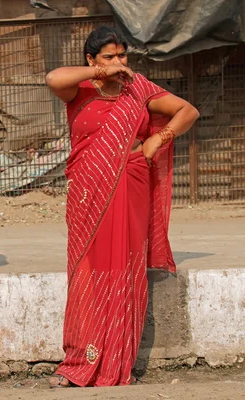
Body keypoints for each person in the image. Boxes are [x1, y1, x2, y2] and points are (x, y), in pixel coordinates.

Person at [45, 26, 199, 387]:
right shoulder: (79, 89)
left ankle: (115, 363)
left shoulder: (139, 89)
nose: (118, 63)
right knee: (86, 268)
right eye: (109, 57)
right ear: (91, 60)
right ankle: (79, 361)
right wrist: (100, 74)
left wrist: (157, 140)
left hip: (129, 186)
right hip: (87, 192)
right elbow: (53, 77)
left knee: (123, 270)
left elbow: (187, 111)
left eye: (122, 56)